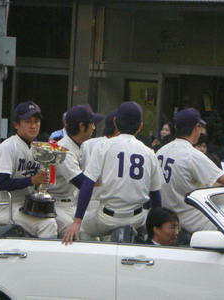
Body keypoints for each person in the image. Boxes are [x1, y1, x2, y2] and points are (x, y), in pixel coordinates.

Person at [62, 102, 163, 244]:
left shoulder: (103, 146)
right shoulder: (149, 152)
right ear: (140, 125)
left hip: (107, 218)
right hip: (137, 219)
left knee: (82, 229)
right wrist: (154, 226)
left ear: (115, 122)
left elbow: (87, 185)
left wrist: (77, 222)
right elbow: (156, 196)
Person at [0, 101, 57, 238]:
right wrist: (32, 180)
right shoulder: (7, 147)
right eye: (28, 121)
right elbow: (1, 183)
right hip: (2, 206)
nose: (34, 125)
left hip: (23, 205)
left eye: (37, 121)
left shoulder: (37, 148)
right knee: (48, 224)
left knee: (58, 218)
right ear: (16, 124)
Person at [48, 104, 104, 237]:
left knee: (96, 230)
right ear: (81, 126)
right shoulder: (63, 149)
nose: (94, 127)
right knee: (81, 234)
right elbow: (83, 182)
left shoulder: (81, 145)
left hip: (71, 204)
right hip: (57, 205)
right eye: (92, 124)